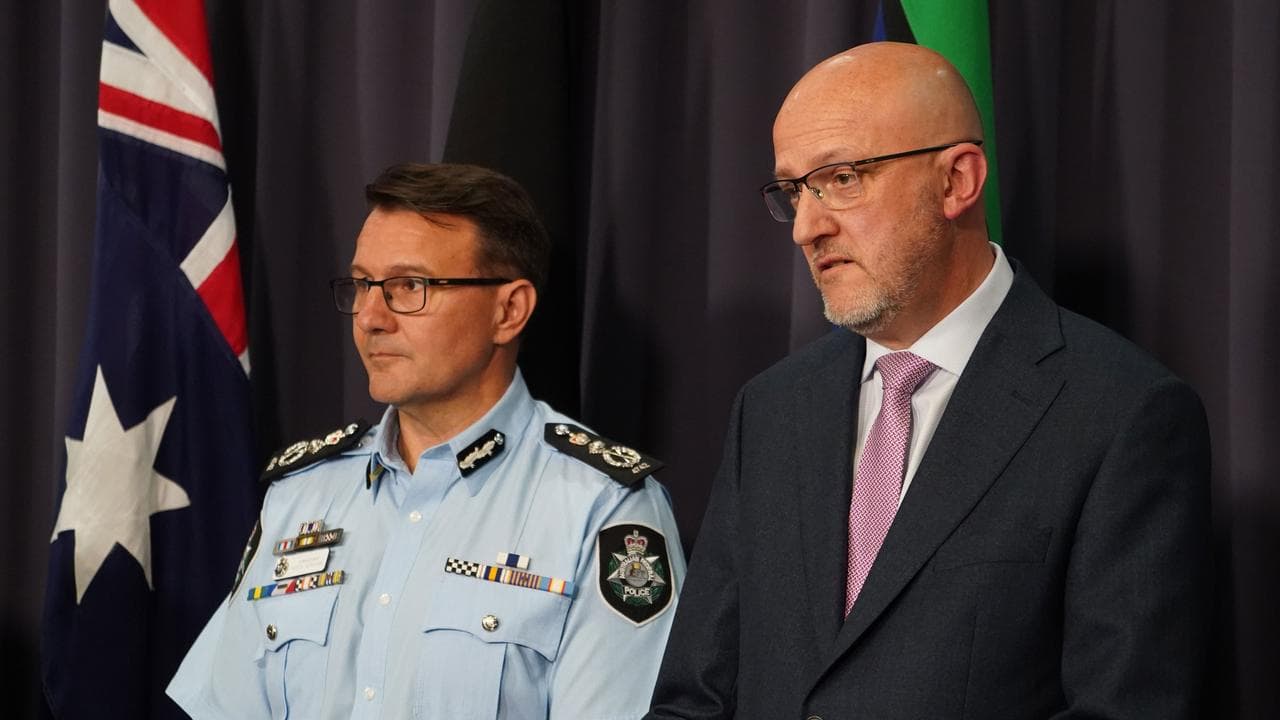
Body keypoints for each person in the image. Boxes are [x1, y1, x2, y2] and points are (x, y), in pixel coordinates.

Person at [647, 42, 1211, 719]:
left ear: (956, 181)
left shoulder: (1121, 412)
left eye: (842, 178)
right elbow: (695, 699)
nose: (806, 226)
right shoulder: (771, 409)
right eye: (794, 190)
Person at [168, 162, 684, 719]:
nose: (369, 316)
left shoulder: (604, 507)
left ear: (509, 310)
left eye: (408, 286)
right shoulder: (301, 494)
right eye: (363, 284)